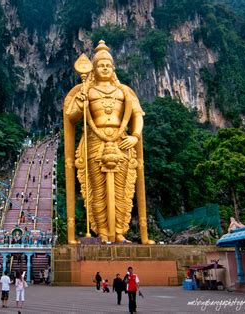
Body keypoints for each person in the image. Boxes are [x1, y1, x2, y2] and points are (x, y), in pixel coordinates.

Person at [63, 40, 154, 244]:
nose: (104, 68)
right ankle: (102, 232)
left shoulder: (124, 92)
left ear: (113, 68)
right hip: (95, 140)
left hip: (121, 140)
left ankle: (120, 232)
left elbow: (138, 115)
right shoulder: (86, 91)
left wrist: (135, 136)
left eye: (108, 65)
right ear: (94, 69)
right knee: (98, 189)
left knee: (122, 190)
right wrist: (81, 100)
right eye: (100, 65)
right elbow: (71, 117)